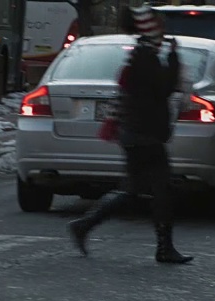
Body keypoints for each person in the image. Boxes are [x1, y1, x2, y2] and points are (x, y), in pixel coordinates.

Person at [67, 5, 193, 264]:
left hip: (137, 133)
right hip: (144, 134)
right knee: (162, 190)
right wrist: (174, 58)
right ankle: (164, 248)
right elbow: (164, 88)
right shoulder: (145, 57)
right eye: (160, 27)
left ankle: (85, 225)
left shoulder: (141, 56)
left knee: (134, 190)